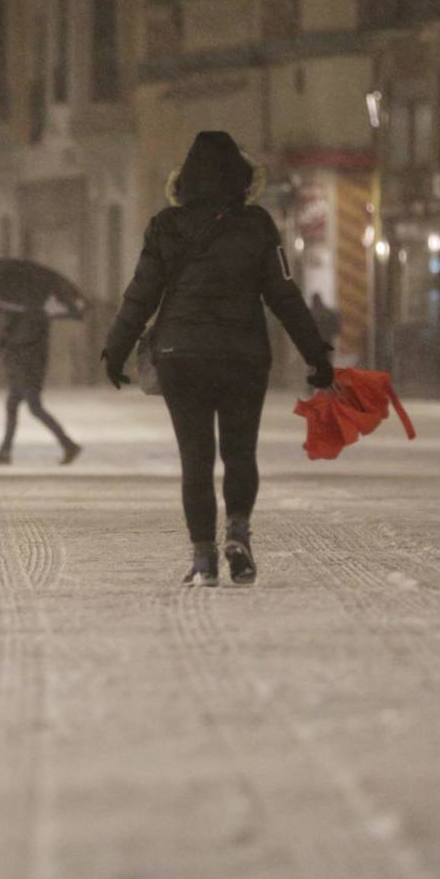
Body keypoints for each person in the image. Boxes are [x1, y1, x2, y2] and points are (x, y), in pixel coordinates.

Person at [102, 130, 333, 587]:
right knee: (240, 452)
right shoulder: (258, 226)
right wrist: (316, 354)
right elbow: (284, 296)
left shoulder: (165, 226)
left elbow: (140, 295)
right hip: (242, 354)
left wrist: (117, 348)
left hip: (180, 355)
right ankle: (239, 535)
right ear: (241, 179)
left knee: (196, 458)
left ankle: (204, 560)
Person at [0, 309, 82, 466]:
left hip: (29, 371)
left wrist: (7, 338)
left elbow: (26, 341)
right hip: (21, 370)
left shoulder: (36, 315)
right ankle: (5, 451)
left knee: (35, 408)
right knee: (13, 406)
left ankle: (68, 444)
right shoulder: (20, 313)